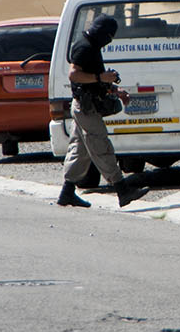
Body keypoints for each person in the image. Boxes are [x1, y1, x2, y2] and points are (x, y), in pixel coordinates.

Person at [56, 14, 148, 208]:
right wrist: (101, 77)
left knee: (79, 150)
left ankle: (67, 193)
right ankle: (122, 190)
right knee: (101, 146)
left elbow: (96, 80)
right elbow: (74, 74)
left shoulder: (92, 46)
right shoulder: (84, 47)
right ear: (102, 32)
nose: (110, 40)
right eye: (109, 36)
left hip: (84, 106)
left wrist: (114, 89)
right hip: (86, 108)